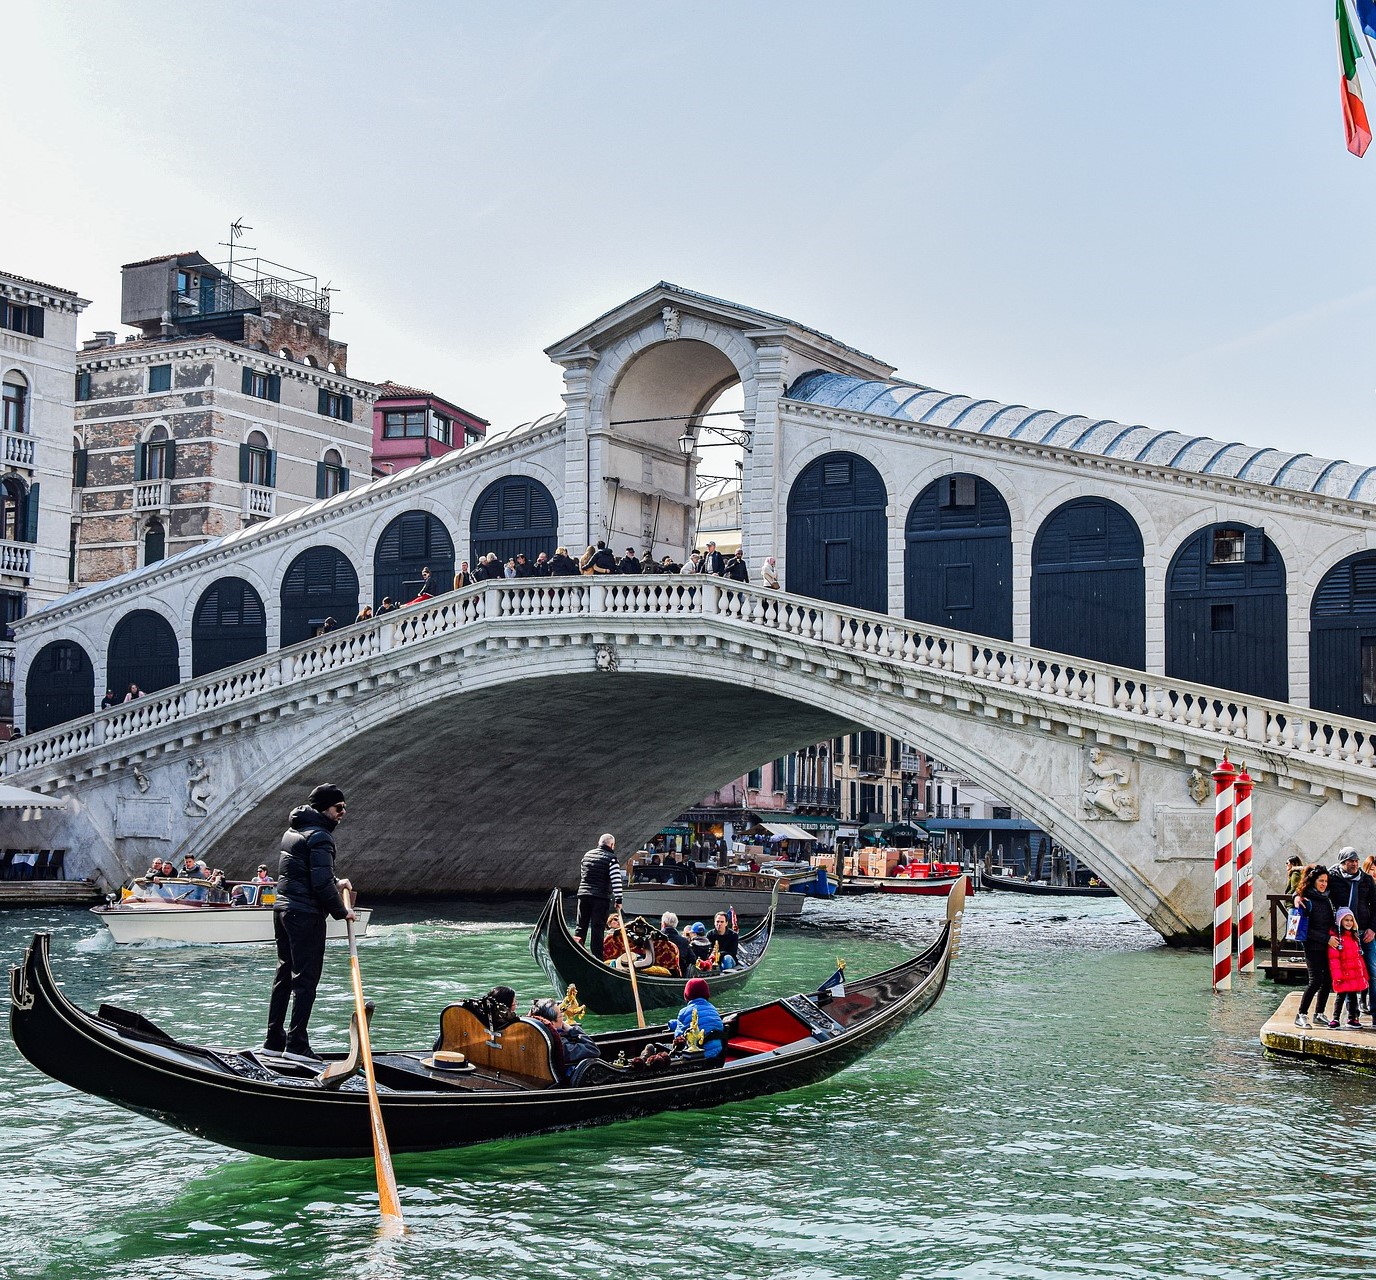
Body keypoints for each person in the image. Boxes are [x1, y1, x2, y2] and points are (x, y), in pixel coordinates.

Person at [264, 784, 355, 1061]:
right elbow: (319, 884)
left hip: (283, 912)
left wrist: (336, 881)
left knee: (283, 977)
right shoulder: (322, 837)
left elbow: (305, 873)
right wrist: (343, 912)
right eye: (339, 808)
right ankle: (297, 1046)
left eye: (344, 808)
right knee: (305, 981)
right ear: (324, 809)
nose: (342, 813)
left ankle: (273, 1042)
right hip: (305, 916)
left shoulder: (293, 832)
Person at [1295, 866, 1338, 1029]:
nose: (1324, 884)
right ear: (1313, 881)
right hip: (1312, 945)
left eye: (1326, 881)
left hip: (1327, 945)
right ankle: (1301, 1014)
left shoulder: (1327, 897)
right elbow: (1304, 929)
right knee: (1315, 980)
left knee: (1328, 979)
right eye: (1321, 881)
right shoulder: (1305, 900)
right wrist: (1326, 939)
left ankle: (1319, 1013)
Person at [573, 833, 624, 958]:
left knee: (580, 926)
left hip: (583, 895)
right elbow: (616, 880)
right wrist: (618, 899)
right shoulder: (611, 858)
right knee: (597, 928)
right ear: (611, 845)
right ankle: (597, 957)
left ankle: (577, 951)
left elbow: (583, 875)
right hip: (600, 898)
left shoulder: (587, 855)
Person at [528, 999, 602, 1082]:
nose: (563, 1020)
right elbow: (593, 1049)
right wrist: (572, 1030)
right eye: (560, 1016)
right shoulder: (561, 1045)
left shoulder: (534, 1038)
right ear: (552, 1023)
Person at [666, 977, 726, 1059]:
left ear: (687, 994)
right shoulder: (713, 1009)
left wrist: (675, 1025)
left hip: (696, 1056)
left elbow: (679, 1037)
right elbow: (701, 1021)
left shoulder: (683, 1012)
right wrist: (675, 1023)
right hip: (717, 1052)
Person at [1330, 908, 1368, 1028]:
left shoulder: (1354, 937)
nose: (1349, 923)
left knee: (1353, 997)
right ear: (1340, 921)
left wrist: (1363, 974)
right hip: (1343, 973)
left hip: (1354, 973)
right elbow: (1334, 959)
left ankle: (1352, 1018)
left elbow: (1359, 957)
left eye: (1351, 920)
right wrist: (1337, 976)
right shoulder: (1336, 938)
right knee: (1340, 997)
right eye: (1346, 920)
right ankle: (1335, 1018)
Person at [660, 911, 691, 976]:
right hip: (678, 976)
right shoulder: (684, 941)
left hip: (657, 974)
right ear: (675, 925)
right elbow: (692, 960)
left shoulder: (654, 939)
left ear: (663, 924)